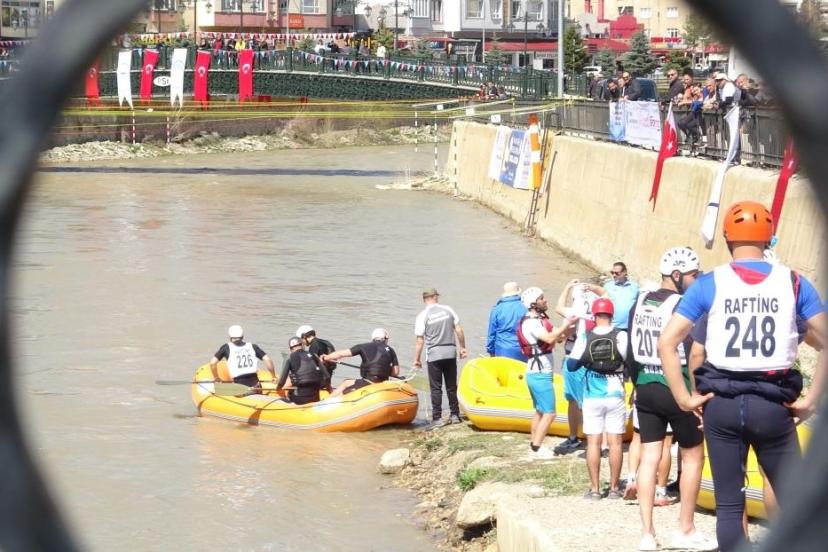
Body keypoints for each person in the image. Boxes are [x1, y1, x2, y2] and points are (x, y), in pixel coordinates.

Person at [658, 201, 826, 552]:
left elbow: (668, 343)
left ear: (726, 238)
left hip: (722, 403)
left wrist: (685, 398)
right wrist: (811, 400)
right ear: (769, 238)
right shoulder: (794, 283)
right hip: (773, 403)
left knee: (730, 505)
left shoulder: (708, 284)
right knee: (794, 502)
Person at [628, 247, 714, 552]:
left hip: (645, 385)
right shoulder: (684, 305)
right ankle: (685, 529)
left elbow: (629, 350)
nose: (697, 280)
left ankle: (647, 534)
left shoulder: (640, 300)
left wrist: (635, 385)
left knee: (649, 457)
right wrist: (697, 392)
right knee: (692, 456)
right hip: (677, 386)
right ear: (677, 275)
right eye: (693, 275)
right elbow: (694, 352)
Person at [577, 298, 628, 500]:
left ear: (594, 315)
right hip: (615, 393)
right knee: (615, 444)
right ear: (611, 315)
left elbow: (572, 364)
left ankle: (595, 489)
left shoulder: (586, 336)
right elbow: (628, 360)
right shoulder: (621, 335)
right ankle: (614, 489)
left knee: (593, 444)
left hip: (592, 395)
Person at [517, 287, 573, 459]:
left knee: (540, 411)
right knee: (550, 412)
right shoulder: (531, 322)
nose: (545, 300)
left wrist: (571, 327)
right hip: (539, 373)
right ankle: (537, 448)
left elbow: (558, 336)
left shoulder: (539, 320)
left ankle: (534, 443)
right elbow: (549, 338)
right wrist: (565, 325)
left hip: (538, 372)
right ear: (533, 303)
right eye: (541, 298)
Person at [554, 279, 604, 453]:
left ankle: (574, 437)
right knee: (589, 400)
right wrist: (593, 288)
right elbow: (605, 294)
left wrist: (567, 286)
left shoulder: (576, 312)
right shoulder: (599, 314)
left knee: (574, 401)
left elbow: (558, 307)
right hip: (592, 360)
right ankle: (596, 441)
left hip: (574, 359)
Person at [414, 288, 467, 429]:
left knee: (436, 388)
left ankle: (437, 418)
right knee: (451, 385)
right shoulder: (448, 309)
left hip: (434, 355)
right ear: (435, 297)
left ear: (424, 299)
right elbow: (459, 330)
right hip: (450, 352)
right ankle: (455, 415)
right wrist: (462, 347)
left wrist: (416, 359)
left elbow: (420, 340)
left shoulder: (422, 316)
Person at [322, 328, 400, 397]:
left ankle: (328, 401)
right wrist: (384, 369)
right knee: (347, 382)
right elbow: (395, 372)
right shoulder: (391, 350)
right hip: (382, 384)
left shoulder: (363, 346)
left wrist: (325, 358)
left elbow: (340, 354)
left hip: (368, 382)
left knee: (345, 383)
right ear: (385, 339)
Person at [209, 325, 276, 387]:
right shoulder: (253, 346)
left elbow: (212, 363)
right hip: (256, 384)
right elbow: (267, 359)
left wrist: (216, 377)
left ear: (230, 337)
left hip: (239, 385)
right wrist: (273, 376)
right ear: (242, 336)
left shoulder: (226, 347)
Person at [276, 337, 329, 404]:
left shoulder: (290, 358)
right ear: (302, 345)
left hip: (300, 398)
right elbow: (327, 376)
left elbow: (281, 382)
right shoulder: (314, 355)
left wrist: (278, 389)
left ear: (290, 349)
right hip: (315, 396)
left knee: (288, 394)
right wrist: (328, 388)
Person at [486, 281, 527, 361]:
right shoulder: (525, 307)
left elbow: (491, 334)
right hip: (522, 349)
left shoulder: (497, 309)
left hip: (502, 350)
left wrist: (490, 350)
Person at [603, 261, 639, 330]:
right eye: (612, 272)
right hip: (613, 326)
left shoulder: (635, 287)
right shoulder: (607, 286)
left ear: (624, 272)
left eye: (617, 273)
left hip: (631, 326)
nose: (614, 275)